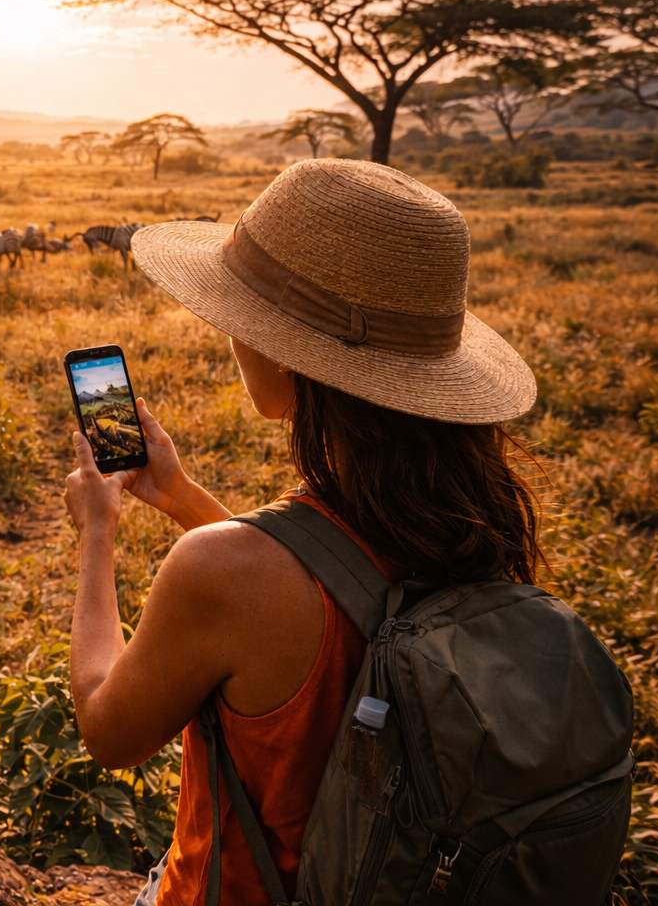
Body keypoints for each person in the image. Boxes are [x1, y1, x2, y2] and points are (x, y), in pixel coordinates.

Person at [63, 158, 541, 905]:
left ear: (286, 354)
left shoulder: (222, 573)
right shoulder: (471, 524)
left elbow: (106, 727)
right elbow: (338, 601)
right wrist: (184, 498)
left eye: (238, 318)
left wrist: (99, 530)